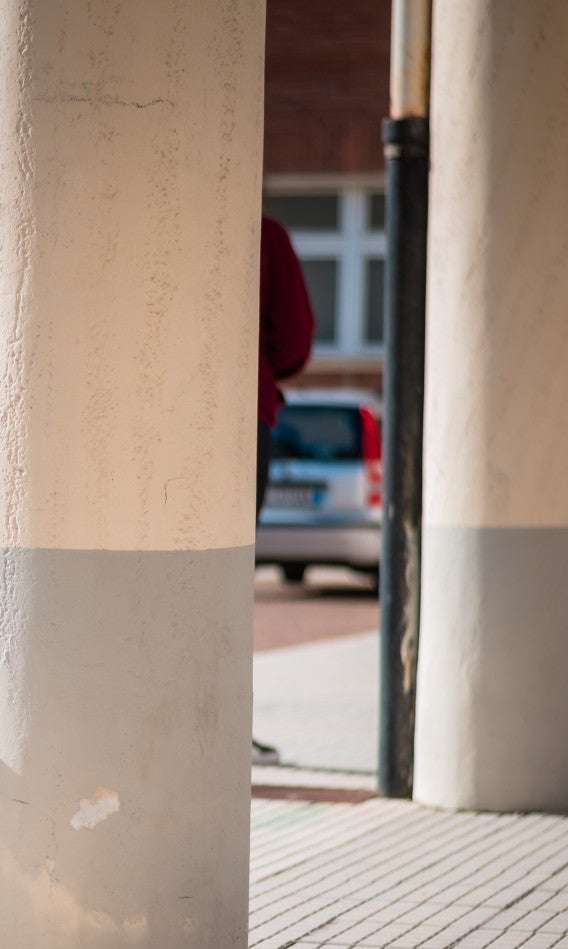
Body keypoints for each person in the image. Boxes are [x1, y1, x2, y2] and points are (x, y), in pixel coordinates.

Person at [253, 214, 316, 766]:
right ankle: (221, 723)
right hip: (242, 410)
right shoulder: (263, 231)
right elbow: (294, 339)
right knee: (220, 579)